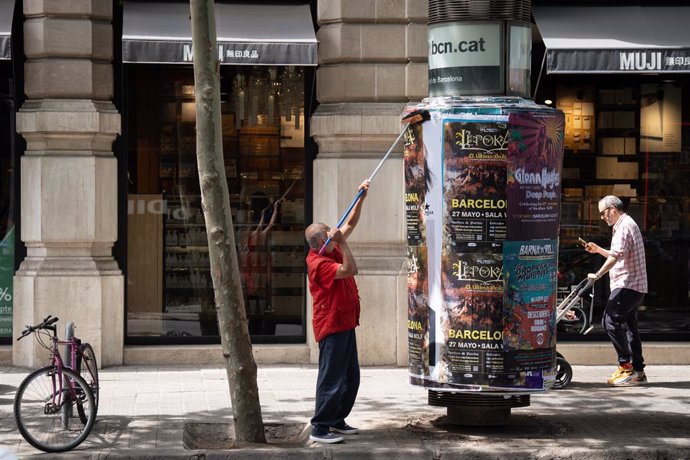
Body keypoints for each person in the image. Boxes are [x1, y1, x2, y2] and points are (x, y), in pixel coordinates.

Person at [304, 180, 369, 444]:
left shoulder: (331, 248)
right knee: (331, 377)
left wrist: (360, 196)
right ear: (322, 241)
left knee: (351, 376)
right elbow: (350, 270)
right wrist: (343, 244)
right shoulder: (318, 262)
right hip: (331, 325)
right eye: (330, 235)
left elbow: (350, 223)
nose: (336, 233)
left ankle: (337, 419)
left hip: (346, 321)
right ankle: (320, 426)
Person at [584, 196, 648, 386]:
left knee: (610, 320)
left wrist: (598, 273)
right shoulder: (625, 224)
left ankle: (626, 368)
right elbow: (617, 255)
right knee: (629, 327)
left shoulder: (624, 227)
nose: (603, 218)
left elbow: (614, 259)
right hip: (635, 286)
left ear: (613, 209)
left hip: (627, 284)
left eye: (603, 213)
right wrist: (598, 251)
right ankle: (639, 371)